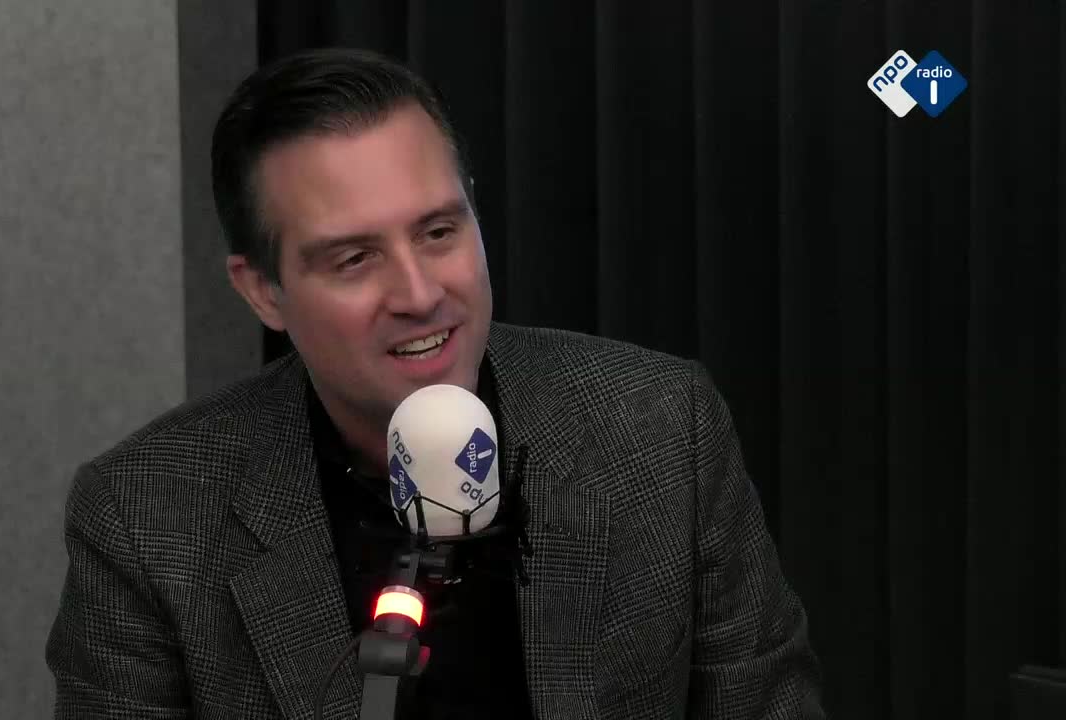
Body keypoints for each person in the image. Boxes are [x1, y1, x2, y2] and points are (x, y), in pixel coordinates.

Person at [45, 47, 824, 719]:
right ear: (262, 291)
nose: (419, 294)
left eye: (438, 232)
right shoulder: (145, 515)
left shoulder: (659, 427)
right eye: (355, 258)